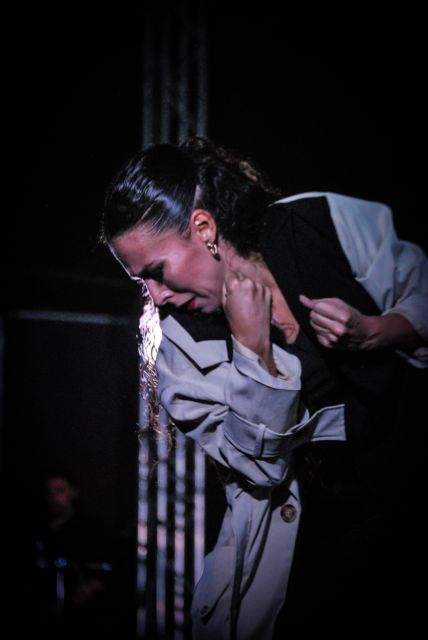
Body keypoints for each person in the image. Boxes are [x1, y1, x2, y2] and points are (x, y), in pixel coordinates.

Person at [101, 137, 428, 639]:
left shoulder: (317, 224)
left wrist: (376, 330)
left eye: (157, 272)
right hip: (314, 559)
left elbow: (419, 291)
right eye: (142, 282)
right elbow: (257, 465)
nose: (156, 296)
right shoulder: (182, 352)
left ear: (204, 228)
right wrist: (254, 354)